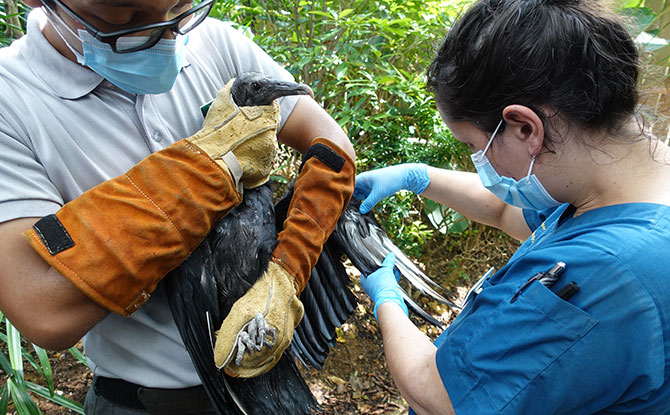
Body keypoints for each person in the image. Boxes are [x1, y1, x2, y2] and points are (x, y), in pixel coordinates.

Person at [0, 0, 355, 413]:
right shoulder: (11, 99)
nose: (168, 38)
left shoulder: (214, 43)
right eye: (124, 16)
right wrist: (207, 172)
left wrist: (286, 274)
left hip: (272, 386)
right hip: (148, 402)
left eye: (181, 7)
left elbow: (330, 147)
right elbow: (44, 310)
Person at [354, 0, 670, 414]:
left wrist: (387, 298)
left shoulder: (601, 276)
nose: (479, 162)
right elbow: (504, 211)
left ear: (525, 127)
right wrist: (418, 177)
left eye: (474, 146)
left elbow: (438, 397)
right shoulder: (621, 186)